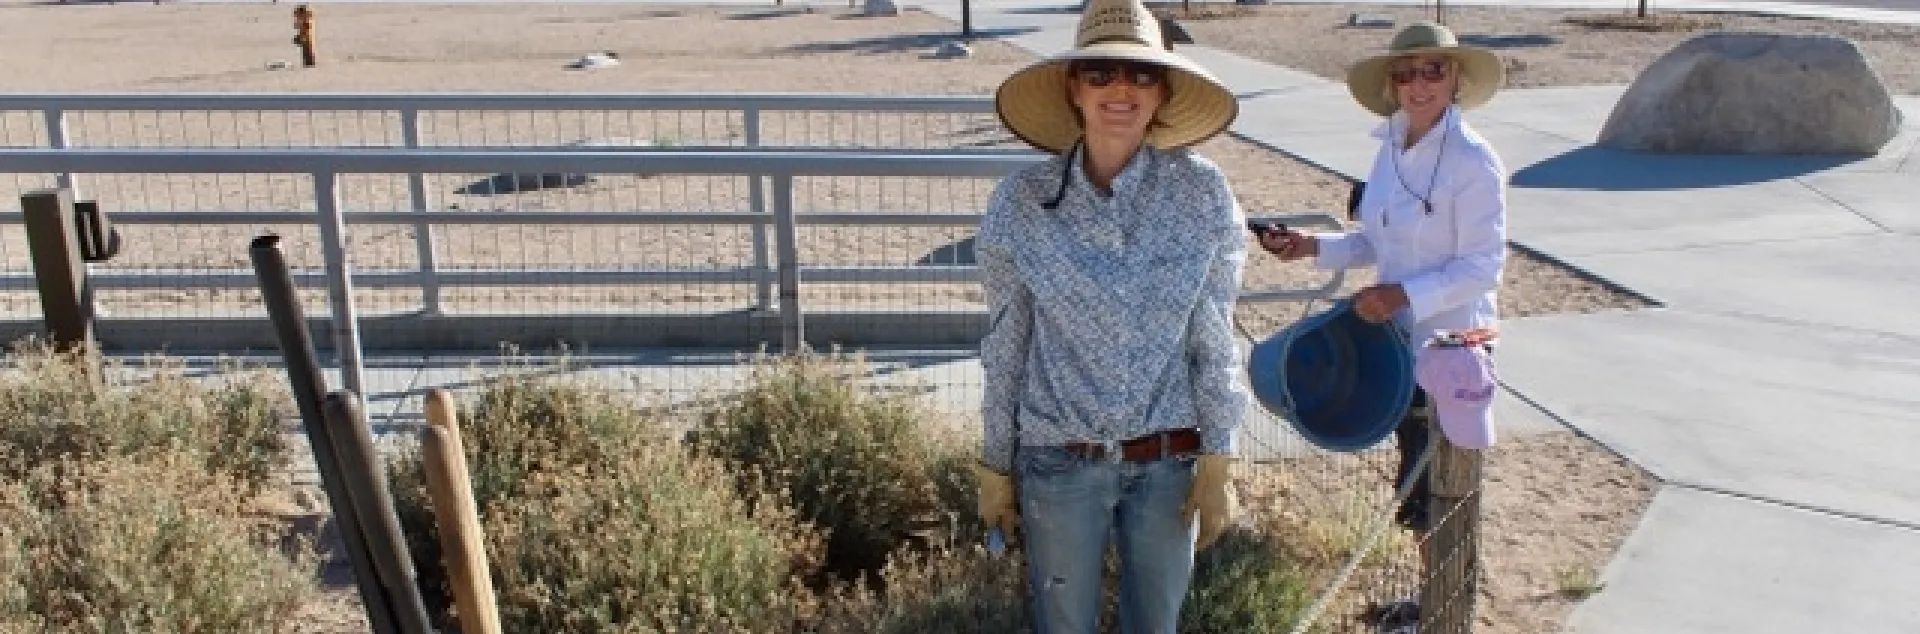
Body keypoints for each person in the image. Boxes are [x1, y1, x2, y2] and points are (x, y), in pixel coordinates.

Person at [969, 0, 1249, 630]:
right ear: (1074, 89)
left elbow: (1214, 336)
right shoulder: (1022, 202)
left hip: (1169, 463)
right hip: (1058, 463)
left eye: (1140, 74)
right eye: (1100, 74)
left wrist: (1219, 457)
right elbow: (1006, 341)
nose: (1119, 89)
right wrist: (995, 463)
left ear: (1162, 91)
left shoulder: (1203, 194)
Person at [1257, 21, 1509, 533]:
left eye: (1433, 71)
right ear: (1393, 85)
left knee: (1444, 485)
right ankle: (1421, 607)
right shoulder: (1390, 148)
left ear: (1455, 77)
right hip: (1397, 345)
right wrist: (1310, 246)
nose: (1419, 85)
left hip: (1452, 346)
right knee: (1414, 480)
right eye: (1407, 74)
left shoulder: (1474, 161)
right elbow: (1377, 240)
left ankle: (1435, 611)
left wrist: (1402, 295)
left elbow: (1484, 267)